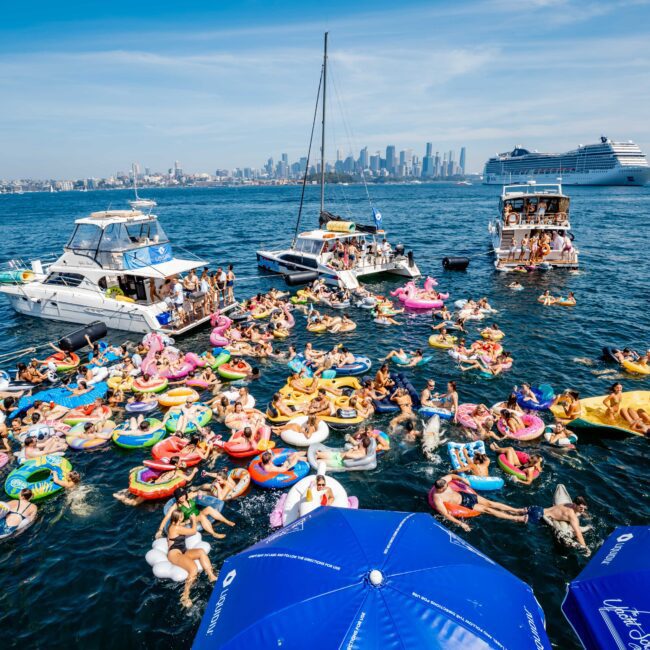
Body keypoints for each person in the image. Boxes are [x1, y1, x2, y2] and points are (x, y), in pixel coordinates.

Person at [431, 475, 527, 531]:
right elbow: (446, 514)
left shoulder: (443, 481)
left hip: (465, 495)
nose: (447, 487)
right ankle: (516, 518)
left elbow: (452, 476)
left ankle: (517, 510)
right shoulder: (437, 498)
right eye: (445, 488)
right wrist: (461, 524)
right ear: (440, 489)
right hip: (464, 504)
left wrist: (463, 479)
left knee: (491, 503)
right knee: (488, 510)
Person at [166, 510, 218, 608]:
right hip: (174, 553)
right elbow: (193, 531)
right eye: (182, 516)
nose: (183, 517)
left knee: (201, 552)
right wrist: (193, 520)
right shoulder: (175, 528)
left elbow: (183, 523)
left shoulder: (175, 524)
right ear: (179, 517)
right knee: (193, 569)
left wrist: (188, 521)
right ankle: (185, 596)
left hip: (183, 550)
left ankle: (211, 576)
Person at [156, 487, 235, 541]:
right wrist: (160, 530)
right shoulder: (176, 506)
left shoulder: (189, 497)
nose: (182, 497)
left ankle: (227, 521)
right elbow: (166, 518)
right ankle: (214, 533)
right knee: (201, 517)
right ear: (177, 498)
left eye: (183, 494)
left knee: (209, 509)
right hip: (189, 520)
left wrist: (200, 493)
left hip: (198, 514)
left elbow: (198, 492)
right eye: (180, 496)